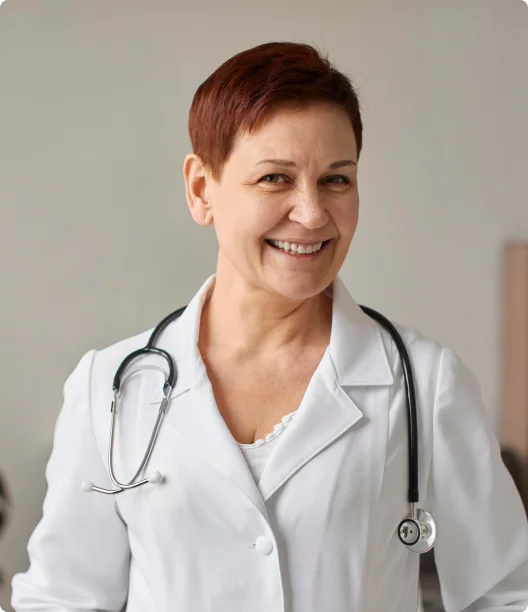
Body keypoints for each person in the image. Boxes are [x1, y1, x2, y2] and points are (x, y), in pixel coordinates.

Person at [11, 41, 528, 612]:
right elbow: (63, 600)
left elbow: (505, 596)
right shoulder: (111, 386)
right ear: (201, 190)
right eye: (275, 178)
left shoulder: (426, 384)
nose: (311, 213)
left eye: (336, 180)